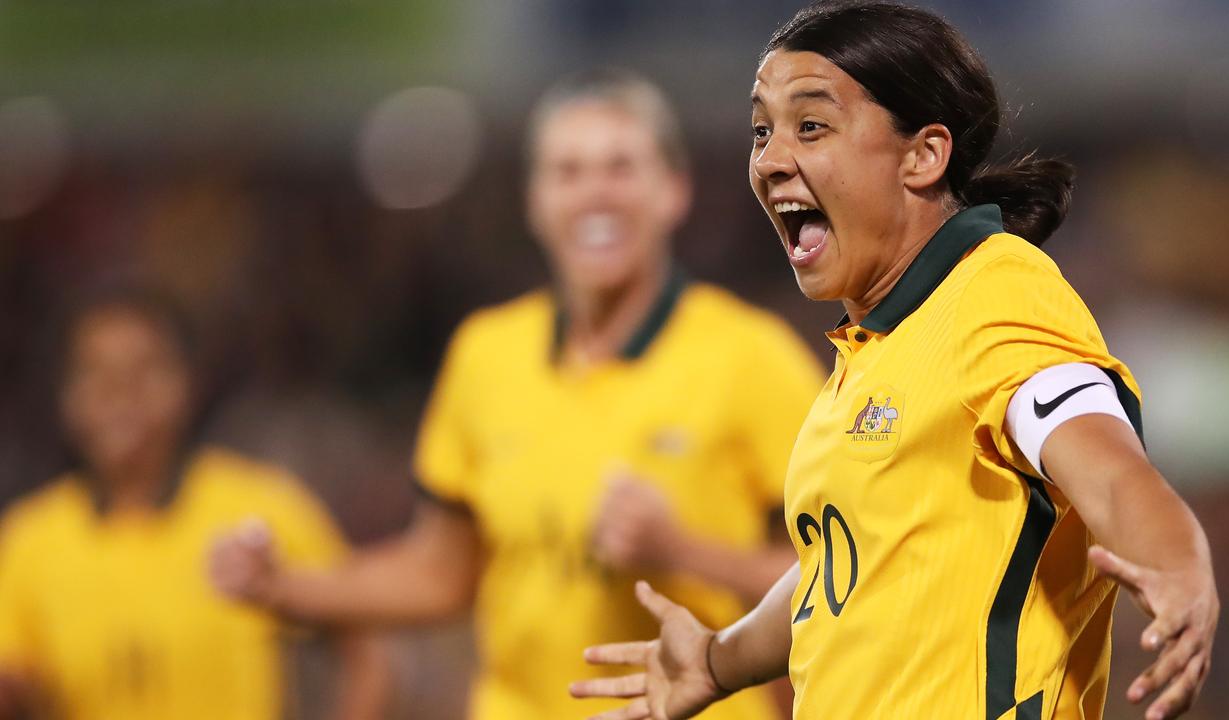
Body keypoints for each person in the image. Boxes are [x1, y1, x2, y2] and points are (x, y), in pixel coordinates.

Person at [570, 3, 1220, 720]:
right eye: (762, 130)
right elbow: (847, 576)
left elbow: (1113, 471)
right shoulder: (877, 347)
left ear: (924, 155)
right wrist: (719, 660)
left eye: (810, 126)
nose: (771, 159)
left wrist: (1179, 563)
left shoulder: (998, 296)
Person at [208, 69, 823, 719]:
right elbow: (441, 573)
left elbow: (838, 569)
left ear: (672, 191)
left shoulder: (752, 357)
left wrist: (683, 551)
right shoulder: (486, 354)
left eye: (620, 167)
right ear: (534, 199)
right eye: (568, 171)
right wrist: (284, 586)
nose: (595, 194)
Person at [0, 289, 386, 720]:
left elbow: (364, 650)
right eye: (96, 372)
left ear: (186, 382)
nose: (120, 393)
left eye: (144, 369)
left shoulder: (257, 509)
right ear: (65, 394)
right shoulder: (30, 539)